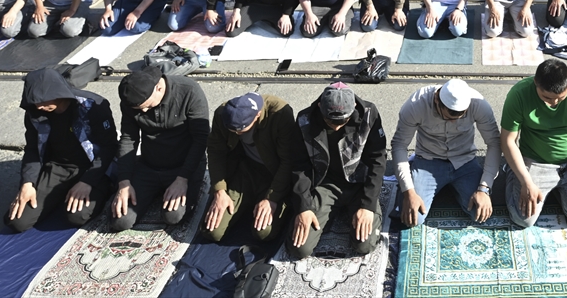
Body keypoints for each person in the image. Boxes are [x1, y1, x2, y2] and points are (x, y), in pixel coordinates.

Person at [6, 68, 117, 232]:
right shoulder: (34, 112)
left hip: (91, 165)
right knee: (17, 221)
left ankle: (101, 190)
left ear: (57, 92)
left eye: (43, 101)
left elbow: (109, 147)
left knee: (76, 216)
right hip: (57, 167)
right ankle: (58, 195)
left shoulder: (92, 106)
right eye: (35, 102)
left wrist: (88, 181)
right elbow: (32, 150)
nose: (40, 106)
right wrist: (27, 183)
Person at [287, 83, 386, 260]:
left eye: (343, 122)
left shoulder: (369, 114)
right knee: (299, 249)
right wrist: (304, 207)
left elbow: (377, 160)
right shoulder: (304, 120)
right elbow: (299, 166)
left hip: (358, 184)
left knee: (364, 245)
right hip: (324, 185)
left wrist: (367, 205)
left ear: (354, 107)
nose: (336, 127)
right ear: (319, 107)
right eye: (330, 122)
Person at [501, 60, 567, 228]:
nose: (554, 103)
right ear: (536, 83)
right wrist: (526, 182)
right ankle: (514, 175)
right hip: (535, 160)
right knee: (523, 219)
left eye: (560, 98)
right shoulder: (519, 94)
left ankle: (557, 189)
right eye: (547, 97)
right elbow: (507, 140)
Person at [392, 79, 501, 227]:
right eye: (448, 118)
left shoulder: (479, 104)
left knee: (479, 213)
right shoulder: (416, 105)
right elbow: (399, 145)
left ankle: (450, 188)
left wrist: (483, 188)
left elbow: (494, 143)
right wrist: (408, 191)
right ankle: (419, 179)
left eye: (460, 117)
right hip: (428, 161)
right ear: (437, 100)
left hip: (464, 161)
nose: (453, 123)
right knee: (414, 219)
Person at [111, 67, 210, 231]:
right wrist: (124, 182)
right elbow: (129, 138)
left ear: (158, 87)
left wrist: (182, 179)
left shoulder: (189, 91)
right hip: (149, 165)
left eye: (146, 106)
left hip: (183, 166)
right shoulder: (132, 100)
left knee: (173, 216)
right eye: (139, 109)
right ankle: (152, 191)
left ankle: (186, 189)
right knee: (120, 221)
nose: (143, 111)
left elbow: (201, 139)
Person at [202, 92, 296, 243]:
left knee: (263, 233)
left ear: (258, 115)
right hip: (244, 171)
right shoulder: (223, 113)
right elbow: (215, 152)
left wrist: (272, 198)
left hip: (274, 175)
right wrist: (219, 190)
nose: (237, 134)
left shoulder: (280, 113)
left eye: (241, 130)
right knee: (212, 231)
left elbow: (288, 161)